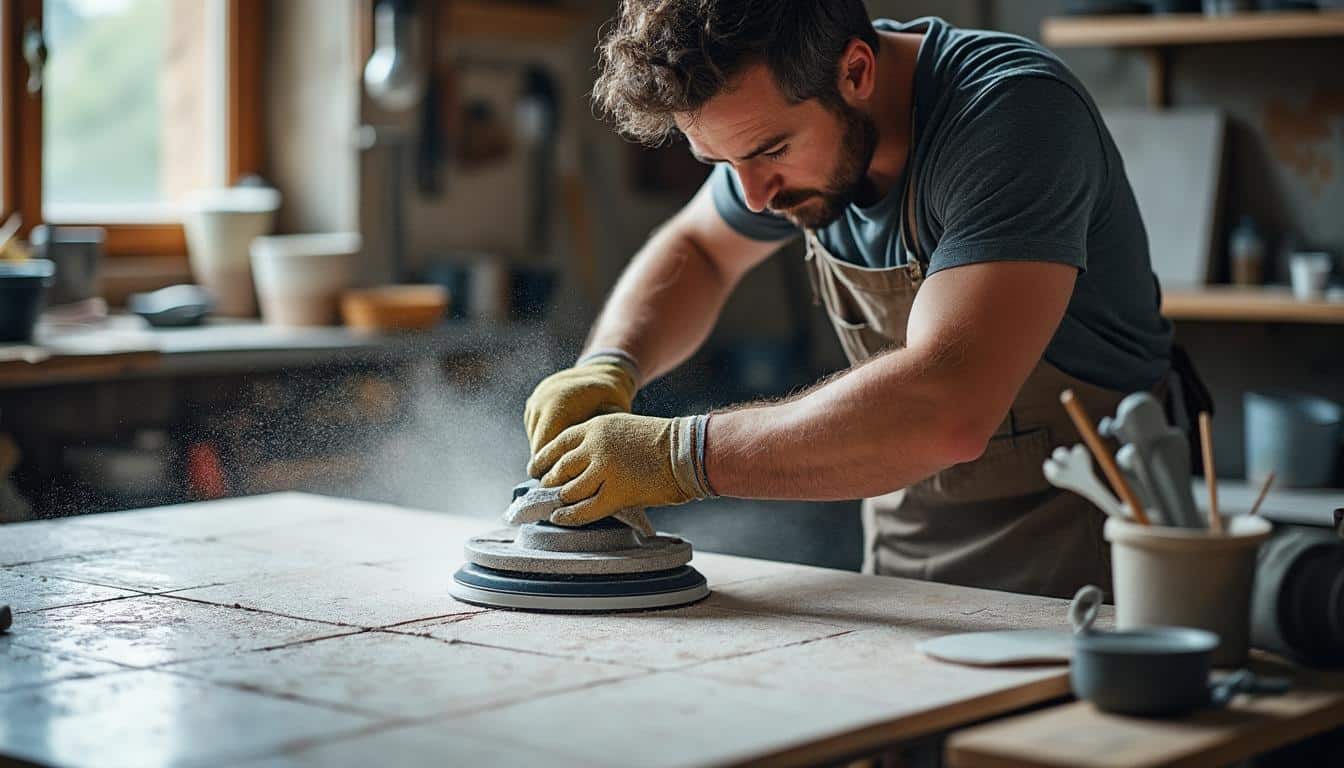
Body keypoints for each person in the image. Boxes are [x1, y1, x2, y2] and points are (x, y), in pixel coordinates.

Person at [522, 0, 1177, 598]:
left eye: (769, 151)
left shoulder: (1012, 115)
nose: (753, 197)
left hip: (1092, 559)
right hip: (908, 559)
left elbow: (948, 406)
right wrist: (609, 364)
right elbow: (699, 248)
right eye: (720, 164)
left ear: (856, 71)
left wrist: (677, 456)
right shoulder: (789, 138)